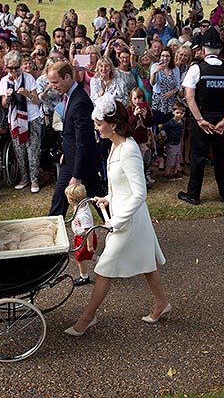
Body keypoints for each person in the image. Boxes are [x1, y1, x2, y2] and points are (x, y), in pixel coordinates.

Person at [64, 95, 169, 336]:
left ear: (112, 124)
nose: (97, 128)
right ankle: (161, 304)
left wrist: (117, 221)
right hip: (124, 215)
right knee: (147, 265)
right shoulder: (115, 145)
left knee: (103, 268)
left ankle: (87, 318)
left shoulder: (129, 149)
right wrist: (108, 198)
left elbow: (139, 193)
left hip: (128, 220)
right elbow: (120, 186)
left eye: (99, 124)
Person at [178, 29, 224, 205]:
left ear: (203, 50)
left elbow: (189, 97)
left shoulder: (196, 69)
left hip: (202, 119)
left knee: (198, 157)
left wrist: (199, 120)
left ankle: (194, 195)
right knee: (222, 157)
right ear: (219, 50)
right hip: (222, 118)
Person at [47, 61, 104, 217]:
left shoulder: (80, 101)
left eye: (55, 82)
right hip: (70, 160)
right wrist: (66, 152)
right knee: (58, 201)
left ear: (67, 77)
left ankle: (118, 229)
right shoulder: (70, 97)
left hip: (83, 165)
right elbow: (71, 134)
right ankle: (52, 237)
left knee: (100, 202)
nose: (53, 86)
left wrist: (77, 176)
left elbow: (83, 141)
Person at [0, 50, 43, 193]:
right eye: (10, 68)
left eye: (16, 68)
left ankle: (35, 179)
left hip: (32, 117)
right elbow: (4, 104)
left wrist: (27, 94)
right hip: (15, 120)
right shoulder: (5, 81)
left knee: (33, 150)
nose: (13, 71)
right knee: (19, 150)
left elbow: (37, 100)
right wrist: (7, 97)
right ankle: (24, 178)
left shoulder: (28, 78)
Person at [65, 183, 98, 286]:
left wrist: (89, 245)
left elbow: (89, 231)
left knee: (80, 258)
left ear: (72, 200)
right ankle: (102, 261)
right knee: (87, 255)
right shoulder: (81, 205)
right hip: (80, 237)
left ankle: (84, 277)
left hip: (85, 239)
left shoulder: (83, 215)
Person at [160, 101, 186, 179]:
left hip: (178, 142)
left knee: (177, 158)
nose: (179, 115)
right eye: (177, 112)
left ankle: (175, 172)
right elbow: (163, 127)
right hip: (171, 143)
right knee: (171, 159)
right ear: (173, 112)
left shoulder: (182, 122)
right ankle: (168, 173)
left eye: (181, 113)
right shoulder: (171, 122)